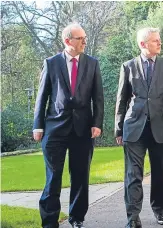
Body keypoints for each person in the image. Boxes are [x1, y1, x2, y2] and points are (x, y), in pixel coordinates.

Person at [32, 23, 104, 228]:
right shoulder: (51, 63)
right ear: (67, 41)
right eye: (80, 38)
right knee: (53, 177)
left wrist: (97, 123)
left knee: (80, 176)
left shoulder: (92, 63)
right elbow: (42, 96)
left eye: (85, 37)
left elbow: (98, 98)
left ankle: (77, 217)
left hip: (83, 129)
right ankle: (49, 221)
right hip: (55, 129)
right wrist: (38, 125)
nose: (84, 41)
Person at [115, 27, 163, 228]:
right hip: (133, 128)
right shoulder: (128, 66)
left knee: (160, 174)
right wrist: (118, 129)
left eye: (159, 39)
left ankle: (160, 211)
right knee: (133, 174)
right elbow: (121, 101)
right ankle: (133, 216)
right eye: (155, 41)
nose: (159, 43)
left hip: (161, 128)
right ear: (143, 44)